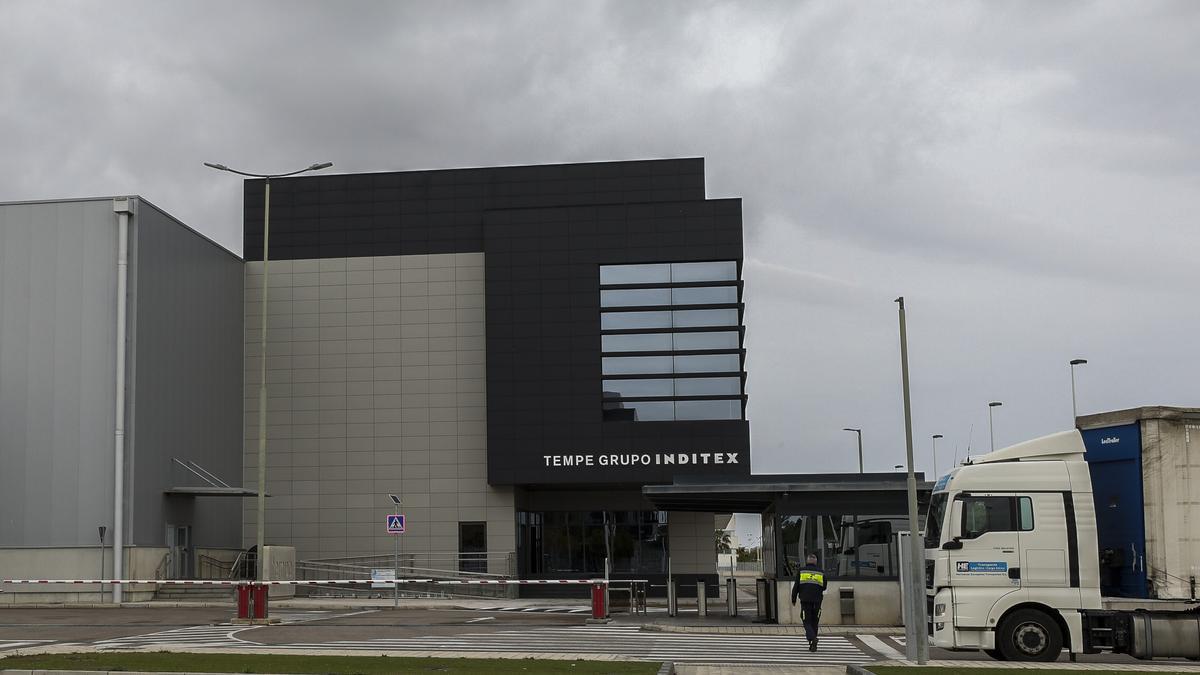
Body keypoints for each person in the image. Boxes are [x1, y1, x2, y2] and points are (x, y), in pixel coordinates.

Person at [791, 553, 827, 651]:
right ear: (816, 562)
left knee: (806, 621)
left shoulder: (801, 571)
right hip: (817, 601)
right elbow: (824, 587)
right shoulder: (821, 572)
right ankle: (813, 645)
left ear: (807, 561)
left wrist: (793, 599)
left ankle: (813, 639)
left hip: (805, 601)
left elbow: (796, 586)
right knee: (815, 622)